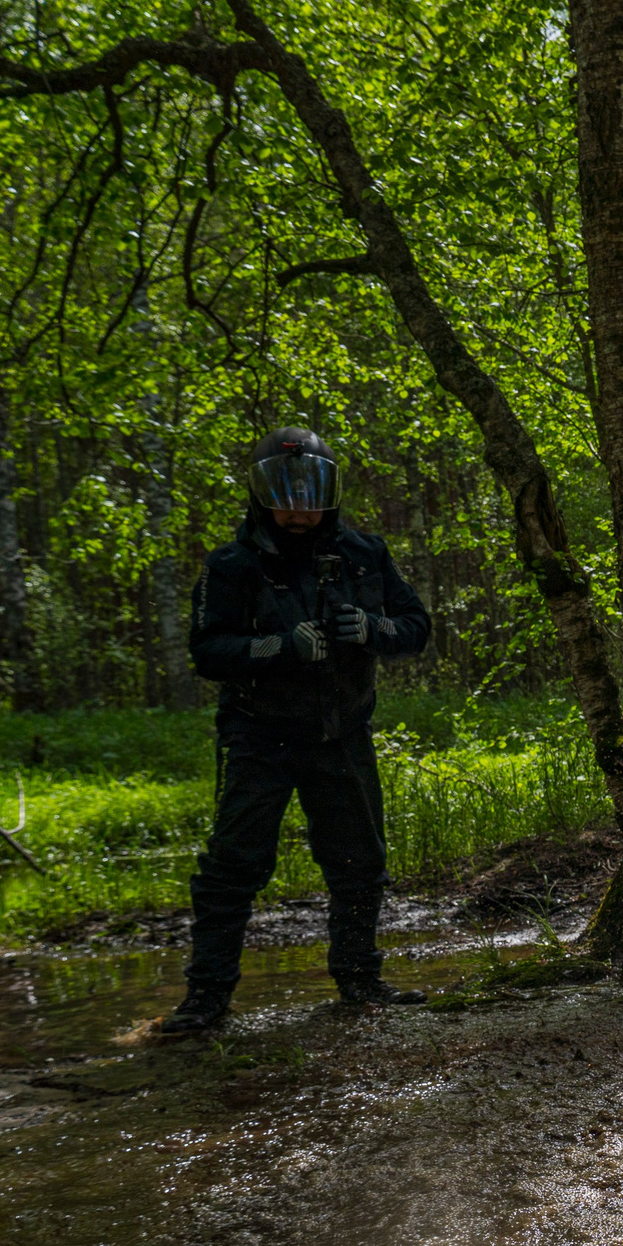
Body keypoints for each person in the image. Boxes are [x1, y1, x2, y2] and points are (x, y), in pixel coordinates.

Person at [154, 429, 434, 1035]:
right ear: (260, 495)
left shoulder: (364, 554)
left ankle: (360, 981)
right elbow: (207, 651)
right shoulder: (232, 566)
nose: (299, 512)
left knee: (359, 862)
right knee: (233, 865)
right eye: (285, 499)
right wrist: (277, 646)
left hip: (342, 731)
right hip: (259, 735)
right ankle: (206, 998)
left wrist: (373, 629)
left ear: (330, 493)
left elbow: (416, 626)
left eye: (310, 497)